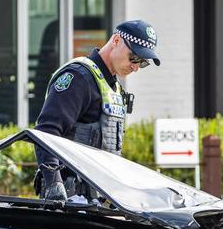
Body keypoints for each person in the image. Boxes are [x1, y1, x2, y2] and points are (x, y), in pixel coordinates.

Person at [34, 19, 160, 201]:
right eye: (134, 57)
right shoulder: (78, 77)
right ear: (116, 41)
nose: (136, 67)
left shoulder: (112, 87)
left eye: (142, 63)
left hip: (96, 199)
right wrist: (54, 183)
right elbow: (47, 131)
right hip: (68, 200)